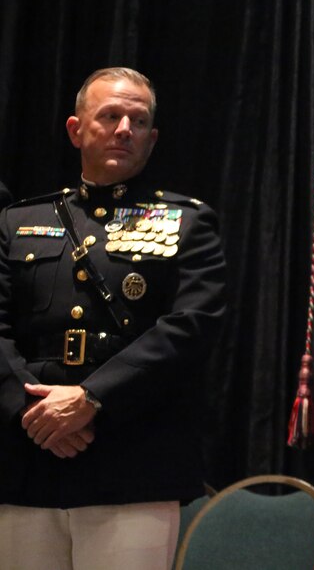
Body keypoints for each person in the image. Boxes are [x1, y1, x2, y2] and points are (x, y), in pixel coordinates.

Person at [0, 67, 227, 570]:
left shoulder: (188, 222)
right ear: (76, 130)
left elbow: (190, 328)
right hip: (26, 458)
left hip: (133, 462)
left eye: (139, 120)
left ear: (153, 138)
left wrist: (91, 399)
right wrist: (28, 409)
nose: (125, 128)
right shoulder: (17, 221)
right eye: (110, 116)